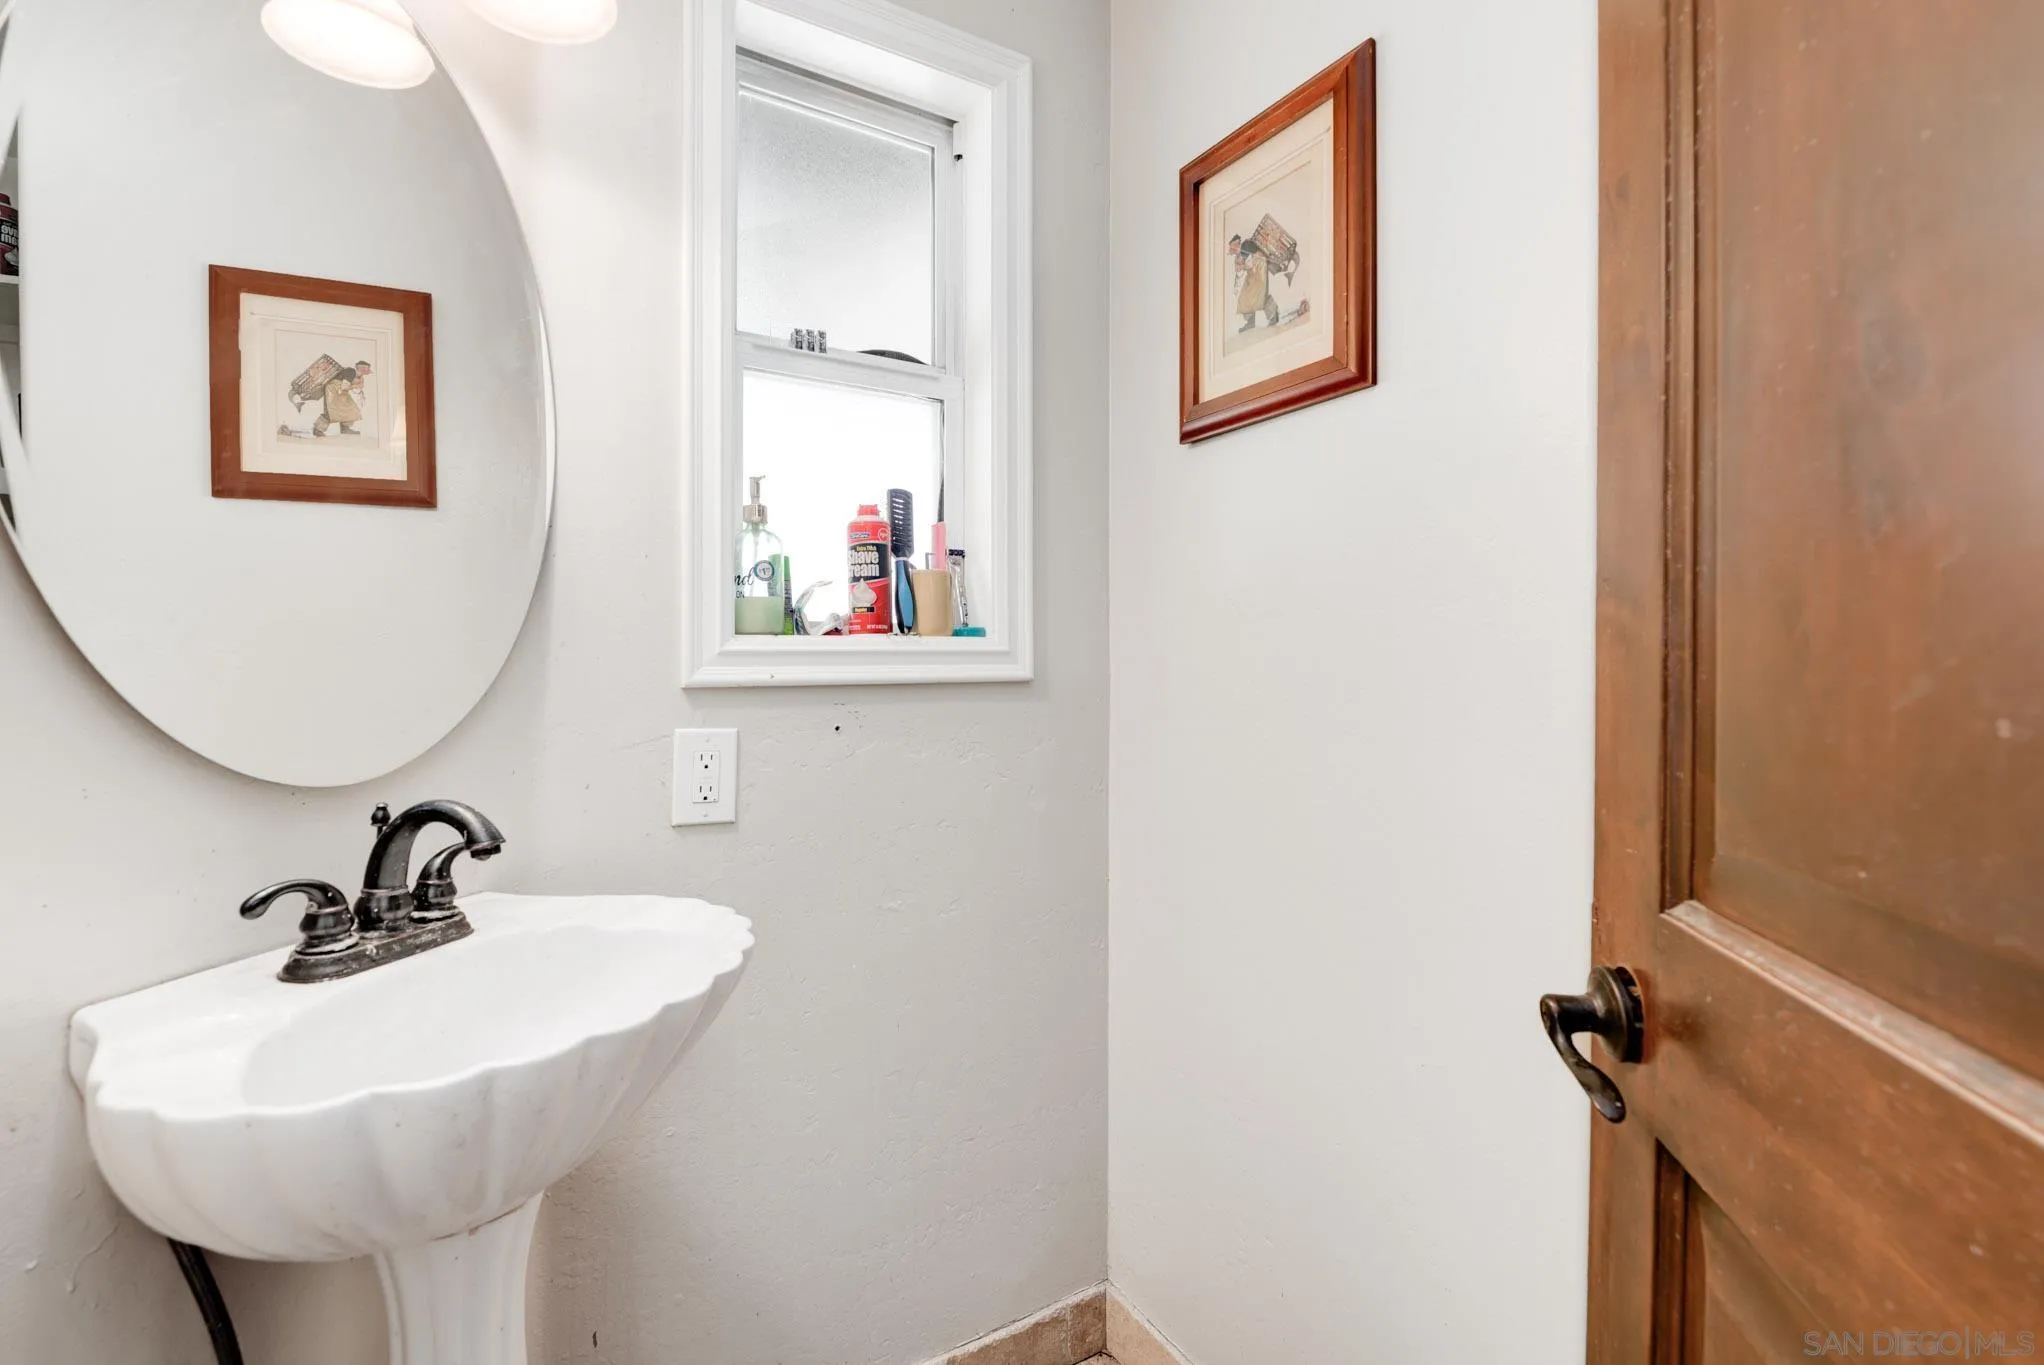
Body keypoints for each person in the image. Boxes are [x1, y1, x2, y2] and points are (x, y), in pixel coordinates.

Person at [1229, 233, 1281, 332]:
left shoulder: (1246, 245)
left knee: (1260, 295)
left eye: (1233, 246)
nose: (1233, 249)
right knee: (1245, 297)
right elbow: (1242, 265)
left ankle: (1273, 315)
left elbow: (1250, 262)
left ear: (1237, 243)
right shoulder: (1243, 250)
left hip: (1259, 270)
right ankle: (1251, 322)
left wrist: (1242, 265)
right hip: (1255, 271)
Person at [313, 361, 373, 438]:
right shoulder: (351, 372)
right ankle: (318, 430)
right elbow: (344, 386)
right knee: (332, 411)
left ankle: (345, 428)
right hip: (333, 390)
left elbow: (348, 387)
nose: (369, 370)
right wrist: (355, 386)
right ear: (362, 368)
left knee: (351, 409)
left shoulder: (358, 375)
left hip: (341, 391)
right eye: (367, 368)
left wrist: (358, 385)